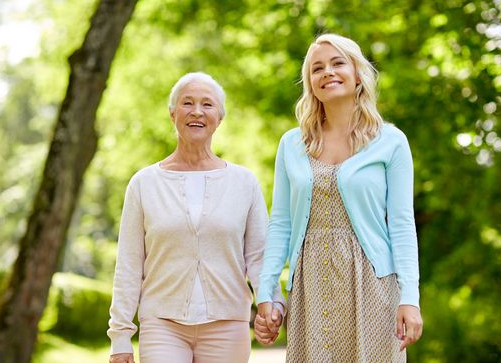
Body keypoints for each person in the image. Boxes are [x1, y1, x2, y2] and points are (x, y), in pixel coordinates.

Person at [254, 33, 423, 361]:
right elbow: (281, 223)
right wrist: (267, 290)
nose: (327, 72)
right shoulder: (291, 144)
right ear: (310, 83)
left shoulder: (391, 141)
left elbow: (402, 224)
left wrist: (410, 298)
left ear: (358, 74)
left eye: (337, 63)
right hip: (310, 285)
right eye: (317, 68)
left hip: (373, 284)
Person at [107, 72, 285, 363]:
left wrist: (272, 303)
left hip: (228, 327)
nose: (197, 112)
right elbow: (128, 265)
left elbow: (259, 256)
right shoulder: (143, 184)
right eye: (187, 103)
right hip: (162, 325)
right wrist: (121, 338)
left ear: (220, 116)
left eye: (207, 104)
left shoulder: (244, 182)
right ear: (172, 113)